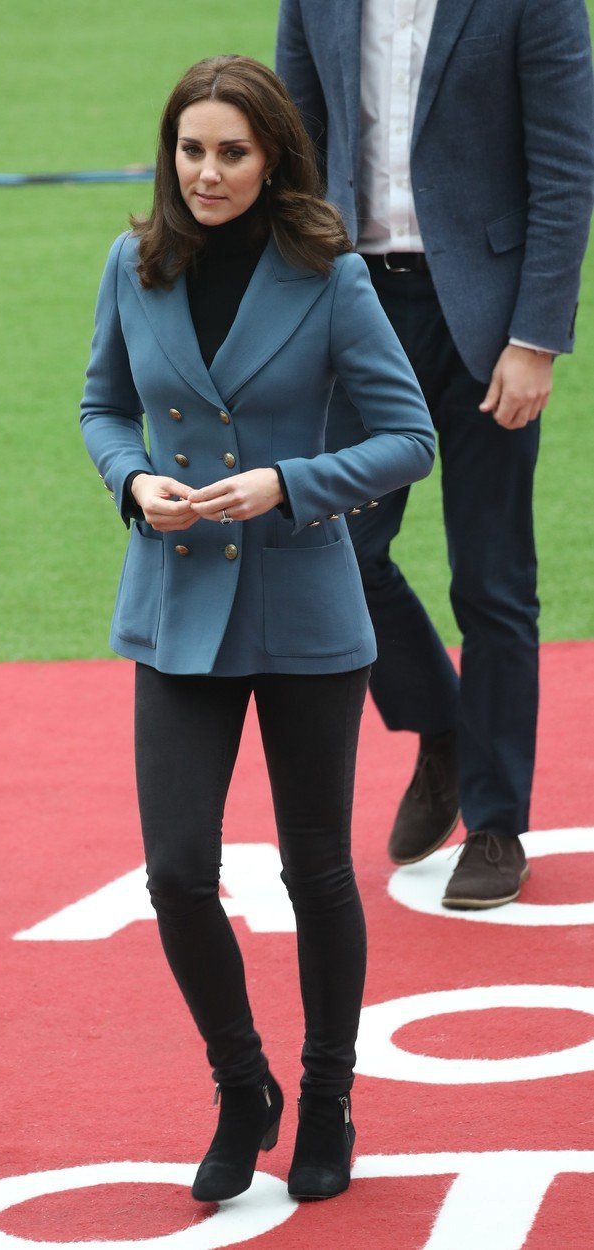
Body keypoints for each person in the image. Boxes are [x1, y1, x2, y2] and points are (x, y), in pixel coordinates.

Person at [81, 55, 434, 1202]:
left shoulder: (328, 276)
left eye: (231, 150)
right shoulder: (131, 268)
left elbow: (406, 438)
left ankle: (326, 1090)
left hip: (300, 602)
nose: (208, 170)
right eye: (191, 149)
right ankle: (243, 1084)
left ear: (272, 155)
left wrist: (289, 481)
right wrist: (132, 479)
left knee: (314, 868)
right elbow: (100, 404)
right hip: (174, 599)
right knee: (176, 871)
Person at [276, 0, 594, 909]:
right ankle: (441, 725)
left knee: (491, 579)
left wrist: (537, 338)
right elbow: (294, 143)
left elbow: (566, 165)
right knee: (335, 544)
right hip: (353, 310)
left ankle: (495, 826)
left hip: (488, 323)